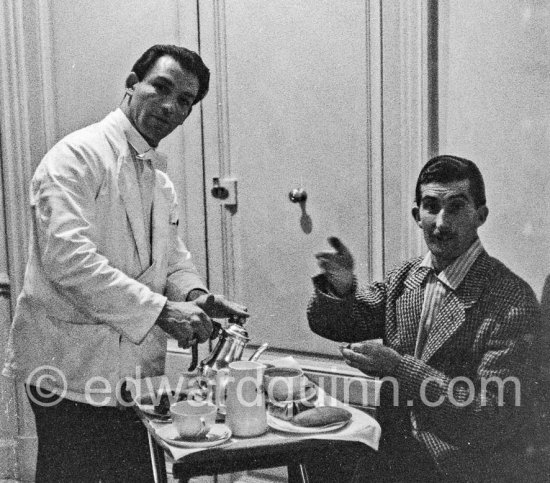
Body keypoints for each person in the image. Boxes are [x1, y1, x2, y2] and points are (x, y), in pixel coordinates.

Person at [3, 44, 248, 482]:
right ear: (133, 84)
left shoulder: (160, 179)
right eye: (161, 87)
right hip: (69, 370)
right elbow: (69, 261)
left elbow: (172, 260)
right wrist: (162, 311)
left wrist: (197, 296)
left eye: (185, 100)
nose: (170, 106)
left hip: (133, 375)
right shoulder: (75, 157)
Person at [307, 155, 541, 482]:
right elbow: (338, 325)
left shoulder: (510, 299)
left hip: (463, 469)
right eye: (431, 206)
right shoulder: (406, 278)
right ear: (417, 216)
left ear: (481, 215)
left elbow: (493, 416)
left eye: (456, 207)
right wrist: (342, 288)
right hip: (393, 457)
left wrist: (398, 367)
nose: (441, 223)